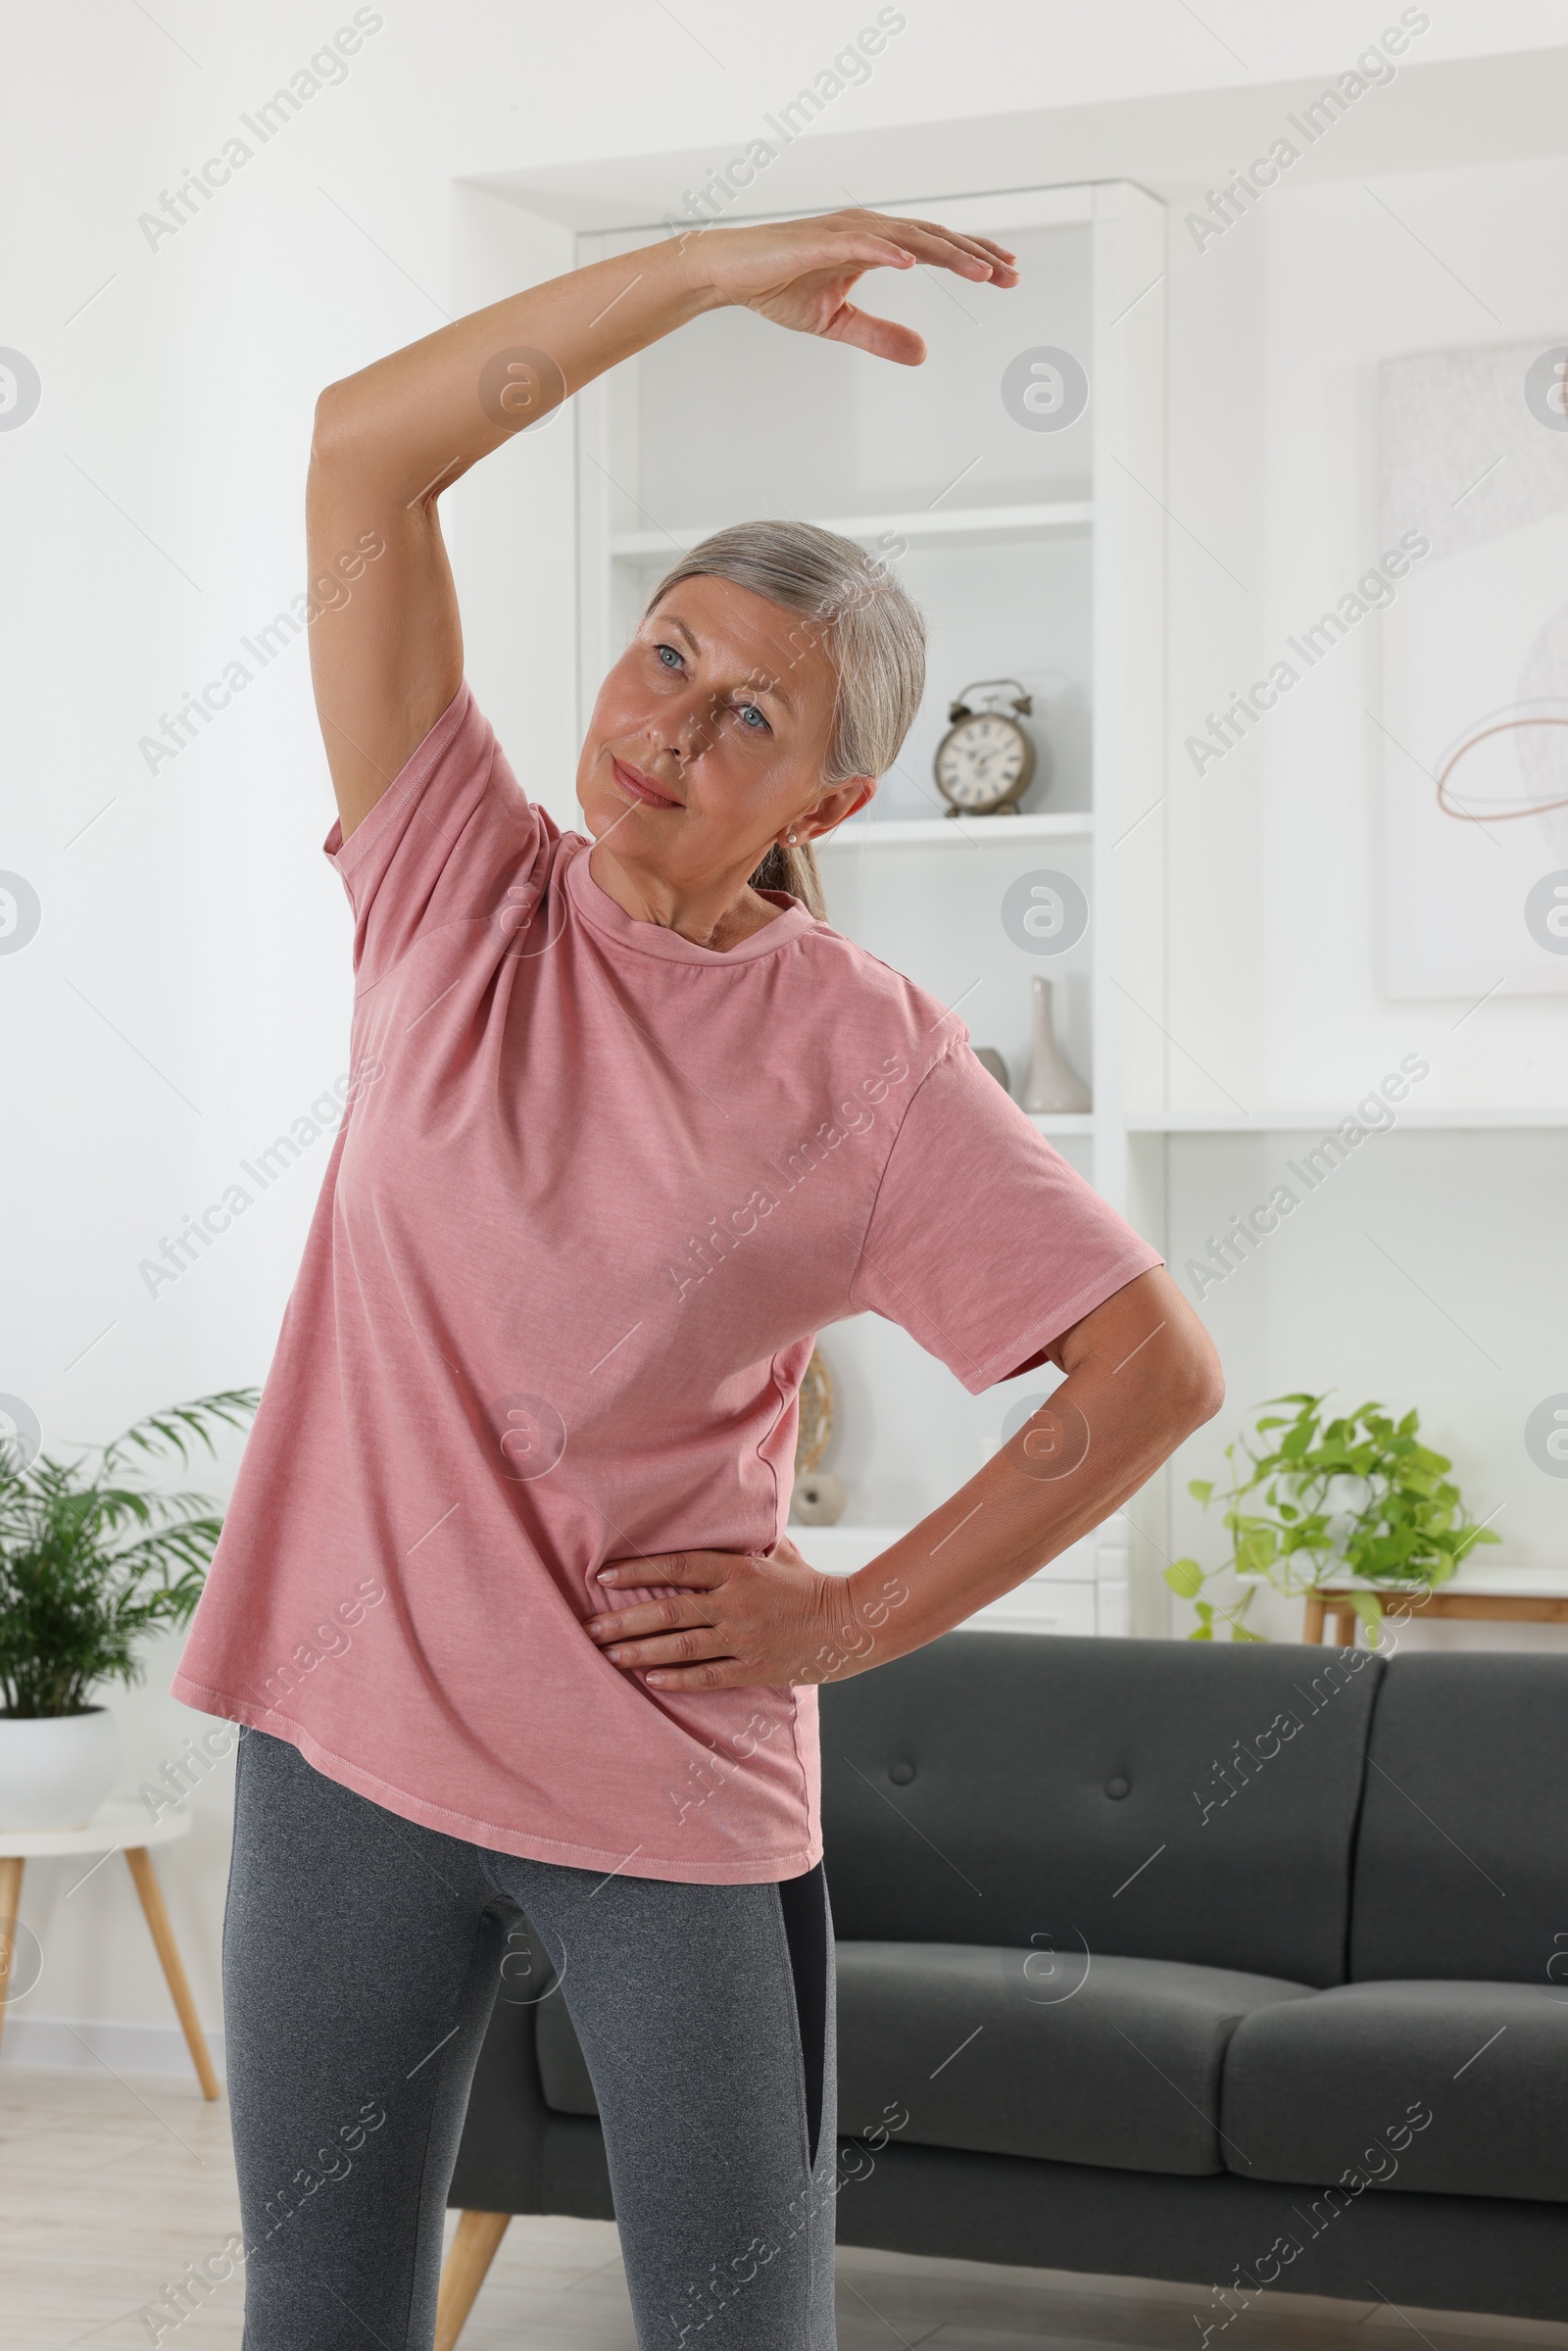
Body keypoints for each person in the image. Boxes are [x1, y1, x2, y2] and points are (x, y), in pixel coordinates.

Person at [172, 206, 1222, 2351]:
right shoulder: (453, 880)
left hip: (660, 1783)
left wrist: (848, 1619)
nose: (670, 725)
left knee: (741, 2330)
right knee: (319, 2317)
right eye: (666, 652)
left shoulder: (866, 1058)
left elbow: (1148, 1370)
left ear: (823, 795)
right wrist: (702, 276)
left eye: (747, 715)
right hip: (341, 1739)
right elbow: (361, 457)